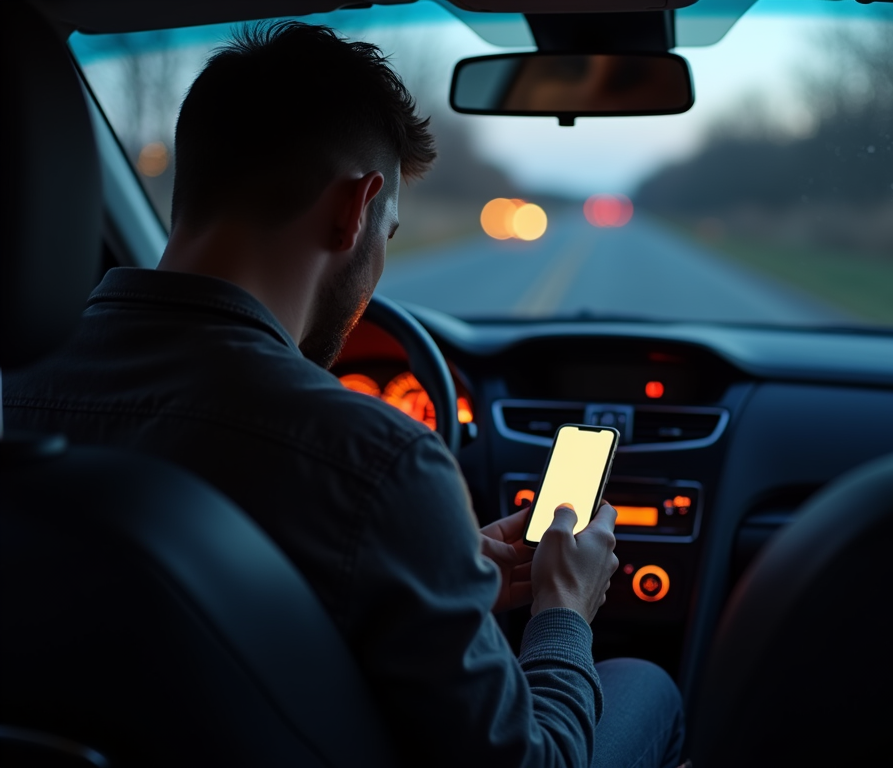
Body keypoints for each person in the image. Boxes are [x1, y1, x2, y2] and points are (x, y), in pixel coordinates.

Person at [3, 22, 684, 768]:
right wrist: (563, 610)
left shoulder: (16, 403)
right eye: (388, 232)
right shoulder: (376, 463)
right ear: (355, 208)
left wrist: (440, 577)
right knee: (645, 685)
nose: (380, 259)